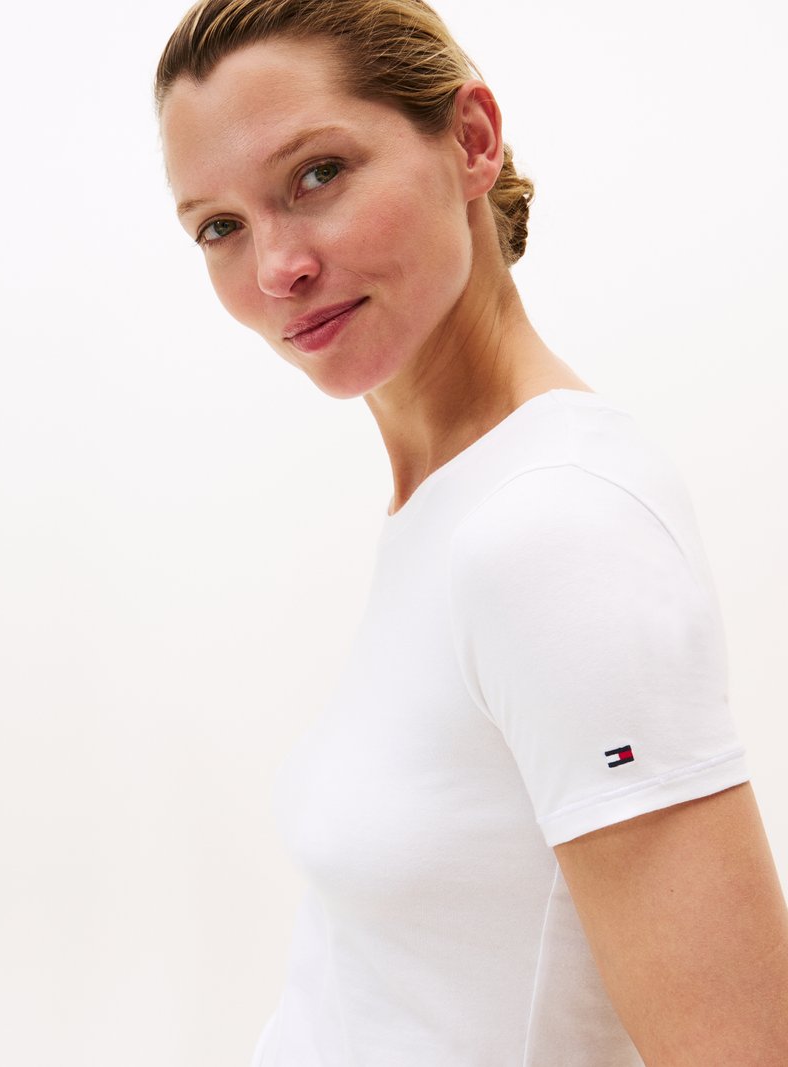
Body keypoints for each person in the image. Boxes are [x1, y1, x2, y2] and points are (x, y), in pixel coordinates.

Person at [154, 1, 788, 1062]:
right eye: (219, 226)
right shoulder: (455, 498)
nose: (275, 268)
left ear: (471, 139)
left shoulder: (557, 526)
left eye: (317, 175)